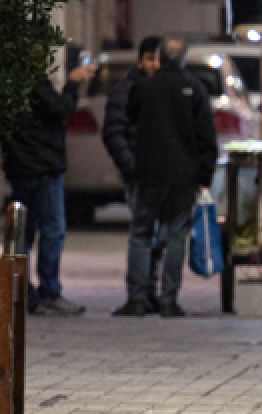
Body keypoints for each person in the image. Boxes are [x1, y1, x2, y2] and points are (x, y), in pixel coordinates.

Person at [114, 37, 218, 318]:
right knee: (176, 236)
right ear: (183, 59)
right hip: (184, 176)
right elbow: (206, 137)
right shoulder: (195, 88)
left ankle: (136, 299)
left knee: (141, 234)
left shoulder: (143, 88)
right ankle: (168, 301)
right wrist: (204, 175)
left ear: (159, 58)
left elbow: (132, 122)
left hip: (148, 174)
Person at [2, 61, 97, 316]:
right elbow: (61, 108)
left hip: (20, 166)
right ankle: (48, 292)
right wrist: (73, 83)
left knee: (23, 232)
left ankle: (20, 291)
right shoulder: (33, 81)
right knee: (52, 231)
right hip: (42, 167)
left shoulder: (10, 83)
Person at [101, 35, 163, 313]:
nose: (155, 65)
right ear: (141, 60)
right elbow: (113, 132)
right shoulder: (126, 91)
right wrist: (130, 167)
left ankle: (148, 292)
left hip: (158, 174)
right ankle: (139, 294)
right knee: (143, 233)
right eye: (150, 59)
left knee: (156, 237)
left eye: (159, 59)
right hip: (140, 175)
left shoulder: (160, 89)